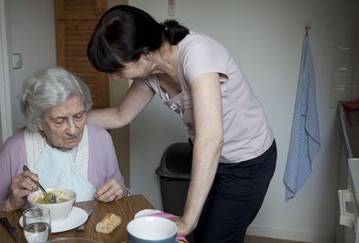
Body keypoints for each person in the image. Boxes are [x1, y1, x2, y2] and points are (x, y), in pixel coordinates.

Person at [86, 5, 277, 243]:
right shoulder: (151, 72)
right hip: (215, 160)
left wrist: (187, 219)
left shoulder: (197, 53)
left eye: (117, 69)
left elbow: (211, 139)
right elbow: (119, 115)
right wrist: (73, 116)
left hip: (248, 162)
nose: (114, 76)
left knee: (216, 237)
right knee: (204, 234)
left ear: (144, 53)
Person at [0, 67, 130, 215]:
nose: (73, 130)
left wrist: (121, 192)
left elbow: (121, 192)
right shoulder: (16, 147)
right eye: (60, 121)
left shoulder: (101, 139)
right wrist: (10, 204)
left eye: (79, 116)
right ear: (38, 122)